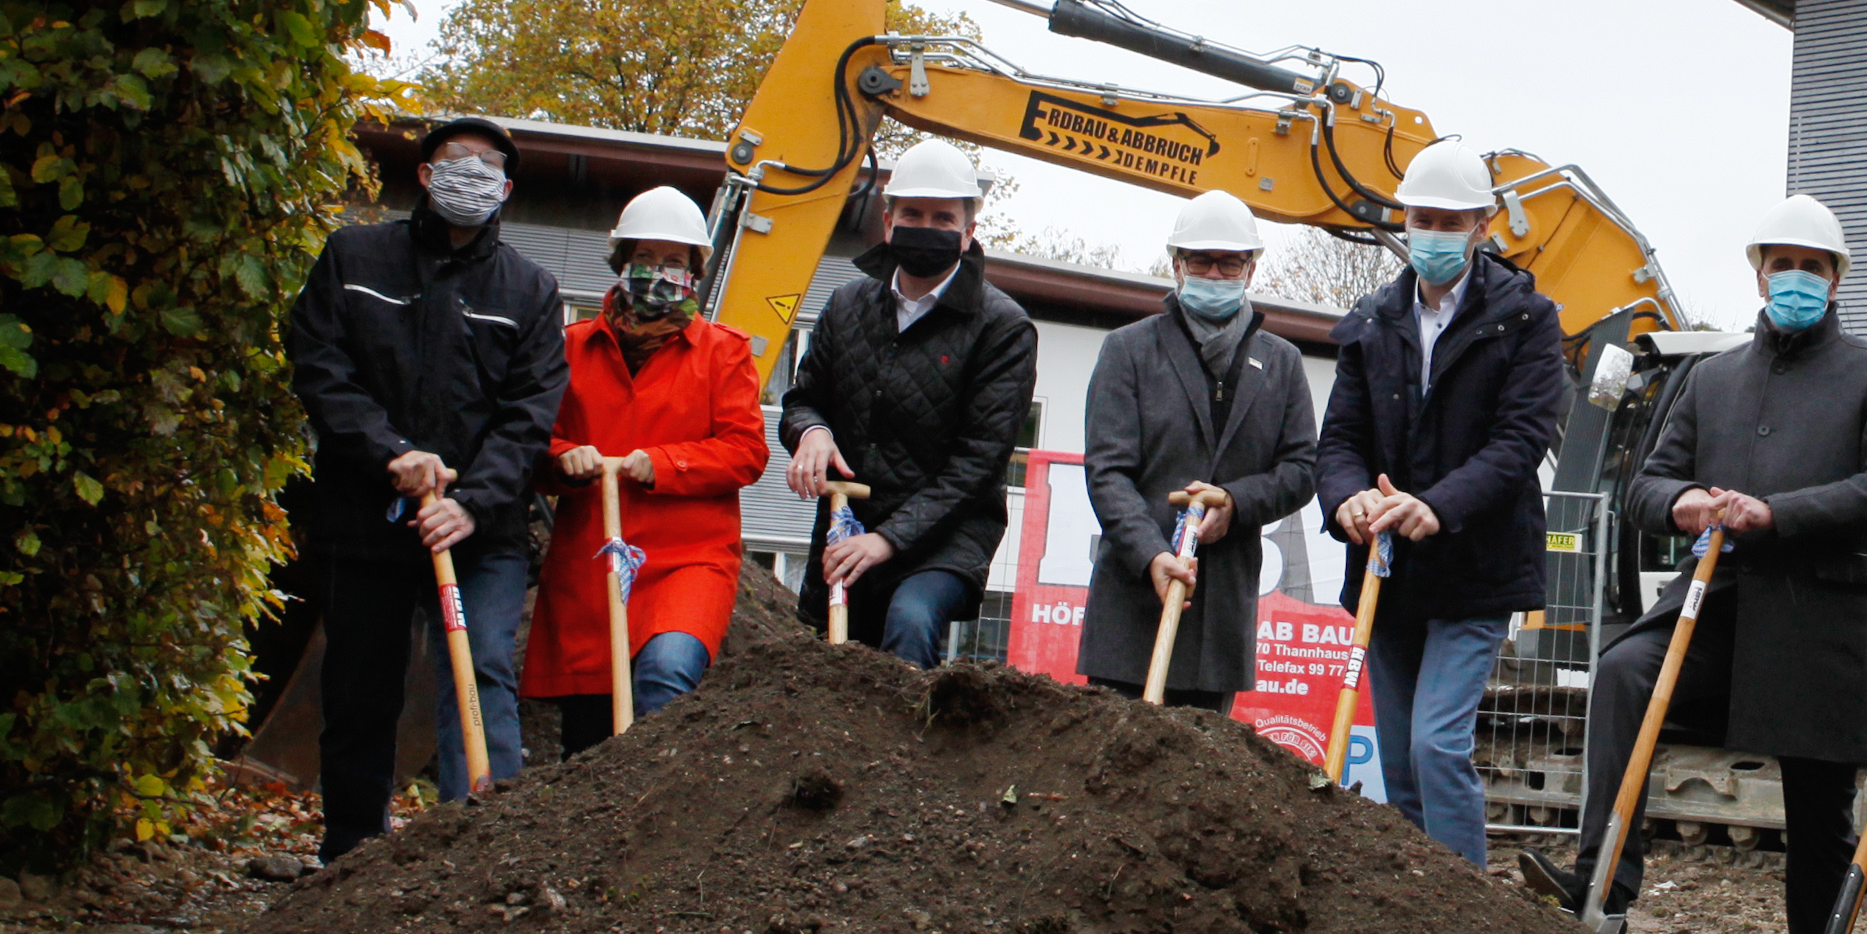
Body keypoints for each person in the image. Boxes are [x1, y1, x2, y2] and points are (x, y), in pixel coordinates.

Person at [1523, 195, 1867, 934]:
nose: (1794, 280)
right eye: (1780, 264)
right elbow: (1646, 482)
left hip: (1818, 624)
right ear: (1757, 273)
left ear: (1836, 277)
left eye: (1811, 267)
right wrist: (1684, 501)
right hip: (1717, 611)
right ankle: (1600, 893)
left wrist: (1776, 513)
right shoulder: (1711, 378)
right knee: (1626, 670)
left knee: (1820, 819)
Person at [283, 115, 568, 860]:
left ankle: (479, 852)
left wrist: (471, 505)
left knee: (480, 672)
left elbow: (530, 414)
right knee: (359, 689)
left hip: (483, 531)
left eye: (488, 165)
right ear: (425, 174)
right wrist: (392, 454)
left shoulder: (531, 290)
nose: (471, 173)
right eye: (456, 160)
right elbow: (319, 365)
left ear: (506, 188)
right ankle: (349, 853)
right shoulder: (355, 257)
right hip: (368, 517)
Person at [1316, 141, 1567, 862]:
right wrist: (1349, 502)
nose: (1434, 233)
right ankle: (1417, 915)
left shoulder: (1526, 318)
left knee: (1436, 745)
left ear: (1483, 227)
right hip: (1387, 572)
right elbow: (1339, 442)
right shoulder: (1370, 321)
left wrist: (1438, 506)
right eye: (1423, 218)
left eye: (1451, 221)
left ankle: (1469, 911)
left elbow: (1521, 440)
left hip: (1477, 569)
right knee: (1399, 758)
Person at [521, 187, 769, 750]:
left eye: (675, 261)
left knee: (667, 673)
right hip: (592, 559)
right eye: (646, 259)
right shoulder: (570, 348)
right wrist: (563, 456)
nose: (659, 273)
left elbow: (745, 450)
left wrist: (662, 463)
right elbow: (529, 442)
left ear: (696, 271)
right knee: (589, 723)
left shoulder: (722, 352)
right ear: (622, 263)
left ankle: (658, 818)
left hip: (688, 558)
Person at [779, 137, 1039, 664]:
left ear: (968, 232)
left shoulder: (1003, 328)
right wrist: (812, 431)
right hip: (849, 522)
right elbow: (803, 399)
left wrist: (889, 540)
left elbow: (978, 464)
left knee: (910, 621)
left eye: (944, 218)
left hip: (948, 532)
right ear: (888, 219)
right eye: (913, 213)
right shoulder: (846, 304)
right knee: (827, 661)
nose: (926, 226)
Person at [1075, 192, 1318, 712]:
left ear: (1250, 269)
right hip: (1131, 611)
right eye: (1200, 260)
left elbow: (1301, 470)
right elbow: (1107, 472)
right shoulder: (1129, 351)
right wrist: (1152, 554)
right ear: (1176, 265)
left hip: (1219, 618)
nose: (1214, 272)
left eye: (1229, 262)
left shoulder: (1281, 363)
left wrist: (1235, 501)